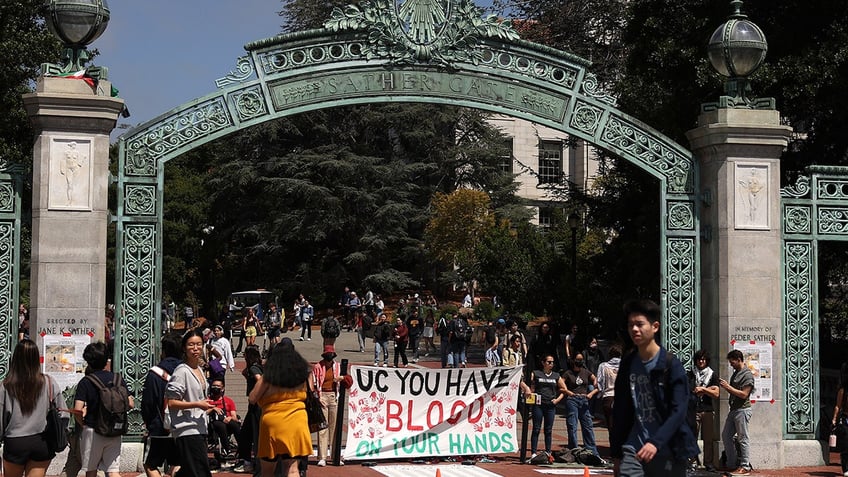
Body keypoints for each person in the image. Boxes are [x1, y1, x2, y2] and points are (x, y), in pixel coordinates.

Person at [610, 299, 698, 477]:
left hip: (669, 451)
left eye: (640, 324)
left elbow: (678, 411)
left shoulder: (671, 365)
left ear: (655, 326)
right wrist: (617, 455)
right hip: (634, 449)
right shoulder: (628, 364)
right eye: (631, 325)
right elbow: (620, 411)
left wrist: (655, 442)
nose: (634, 329)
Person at [0, 339, 67, 477]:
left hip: (15, 441)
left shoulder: (6, 386)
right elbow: (64, 413)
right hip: (41, 441)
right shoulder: (49, 382)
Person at [248, 339, 312, 477]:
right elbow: (310, 392)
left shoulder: (269, 376)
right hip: (297, 421)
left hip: (273, 422)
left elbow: (252, 398)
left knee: (267, 471)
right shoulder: (303, 374)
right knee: (293, 468)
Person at [74, 342, 134, 477]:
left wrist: (82, 423)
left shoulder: (86, 381)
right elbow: (131, 404)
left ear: (88, 361)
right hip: (115, 430)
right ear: (106, 359)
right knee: (113, 471)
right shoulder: (118, 379)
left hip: (93, 430)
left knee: (91, 471)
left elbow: (78, 409)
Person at [166, 329, 216, 477]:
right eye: (191, 345)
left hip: (200, 427)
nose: (195, 348)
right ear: (184, 348)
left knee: (191, 471)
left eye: (199, 344)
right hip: (187, 429)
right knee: (199, 472)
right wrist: (197, 404)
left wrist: (205, 407)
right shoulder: (181, 371)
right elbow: (172, 402)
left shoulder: (199, 369)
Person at [142, 333, 182, 477]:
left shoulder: (155, 374)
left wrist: (149, 423)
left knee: (150, 464)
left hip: (159, 427)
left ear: (163, 351)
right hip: (182, 427)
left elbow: (148, 403)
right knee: (177, 463)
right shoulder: (187, 371)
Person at [520, 353, 565, 462]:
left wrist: (557, 400)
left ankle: (548, 452)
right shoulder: (536, 373)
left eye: (552, 362)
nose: (551, 364)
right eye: (549, 362)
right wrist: (527, 388)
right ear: (543, 363)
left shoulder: (556, 375)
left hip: (550, 406)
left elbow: (564, 389)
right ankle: (534, 453)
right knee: (536, 428)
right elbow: (523, 381)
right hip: (539, 405)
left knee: (548, 430)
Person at [719, 349, 755, 475]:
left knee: (742, 438)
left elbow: (744, 394)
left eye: (732, 362)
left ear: (739, 360)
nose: (731, 364)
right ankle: (731, 463)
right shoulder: (736, 373)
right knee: (726, 435)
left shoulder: (747, 375)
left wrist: (728, 387)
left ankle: (745, 466)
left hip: (743, 410)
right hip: (734, 410)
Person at [311, 345, 346, 466]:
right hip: (322, 396)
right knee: (323, 427)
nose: (329, 360)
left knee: (334, 427)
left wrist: (342, 378)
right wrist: (317, 397)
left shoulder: (337, 366)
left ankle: (335, 455)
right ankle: (322, 456)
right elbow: (314, 383)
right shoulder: (317, 367)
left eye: (330, 358)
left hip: (333, 396)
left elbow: (348, 380)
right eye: (327, 358)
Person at [688, 349, 720, 472]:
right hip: (693, 410)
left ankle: (708, 463)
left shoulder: (712, 374)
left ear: (707, 361)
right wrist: (707, 389)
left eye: (703, 359)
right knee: (692, 437)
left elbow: (716, 393)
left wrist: (703, 389)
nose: (701, 361)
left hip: (707, 410)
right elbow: (689, 389)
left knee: (708, 439)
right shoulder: (690, 374)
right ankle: (691, 462)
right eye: (699, 359)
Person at [563, 354, 600, 456]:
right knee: (572, 425)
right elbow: (561, 384)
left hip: (584, 400)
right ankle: (573, 449)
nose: (580, 361)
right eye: (577, 359)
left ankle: (592, 450)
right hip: (572, 400)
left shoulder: (586, 372)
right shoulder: (568, 373)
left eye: (581, 359)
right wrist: (569, 392)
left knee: (587, 425)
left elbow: (597, 381)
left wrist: (591, 393)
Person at [235, 346, 263, 474]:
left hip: (255, 406)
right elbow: (244, 373)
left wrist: (256, 393)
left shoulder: (254, 368)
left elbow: (259, 380)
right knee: (248, 433)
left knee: (249, 434)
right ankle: (249, 461)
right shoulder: (257, 366)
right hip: (254, 406)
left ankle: (250, 462)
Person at [206, 379, 241, 459]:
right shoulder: (208, 400)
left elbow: (234, 417)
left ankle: (242, 447)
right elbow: (203, 413)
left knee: (234, 424)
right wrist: (213, 408)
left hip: (228, 423)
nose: (215, 388)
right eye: (213, 386)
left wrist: (230, 418)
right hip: (214, 425)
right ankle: (227, 450)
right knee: (220, 425)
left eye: (218, 386)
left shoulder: (228, 401)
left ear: (222, 389)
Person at [596, 344, 622, 432]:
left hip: (608, 397)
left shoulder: (603, 366)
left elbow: (600, 382)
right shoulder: (625, 365)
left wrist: (601, 393)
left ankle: (613, 444)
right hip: (621, 397)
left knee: (610, 425)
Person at [831, 363, 848, 477]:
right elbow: (838, 405)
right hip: (846, 418)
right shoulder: (843, 389)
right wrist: (834, 419)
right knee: (846, 444)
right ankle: (846, 467)